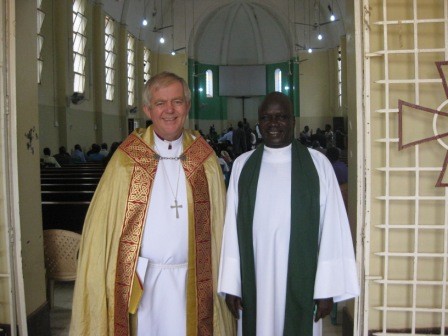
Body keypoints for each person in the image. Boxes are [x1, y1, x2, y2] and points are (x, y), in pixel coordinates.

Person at [70, 72, 235, 336]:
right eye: (160, 103)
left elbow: (222, 228)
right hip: (141, 283)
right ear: (148, 109)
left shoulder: (205, 159)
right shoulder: (126, 160)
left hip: (195, 282)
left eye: (177, 101)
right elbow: (101, 229)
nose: (169, 110)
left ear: (187, 106)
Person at [218, 92, 359, 336]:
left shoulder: (317, 165)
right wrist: (232, 284)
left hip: (303, 280)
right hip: (255, 278)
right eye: (266, 117)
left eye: (281, 117)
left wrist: (326, 288)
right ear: (259, 122)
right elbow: (231, 227)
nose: (273, 124)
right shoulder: (243, 165)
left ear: (292, 120)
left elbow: (332, 228)